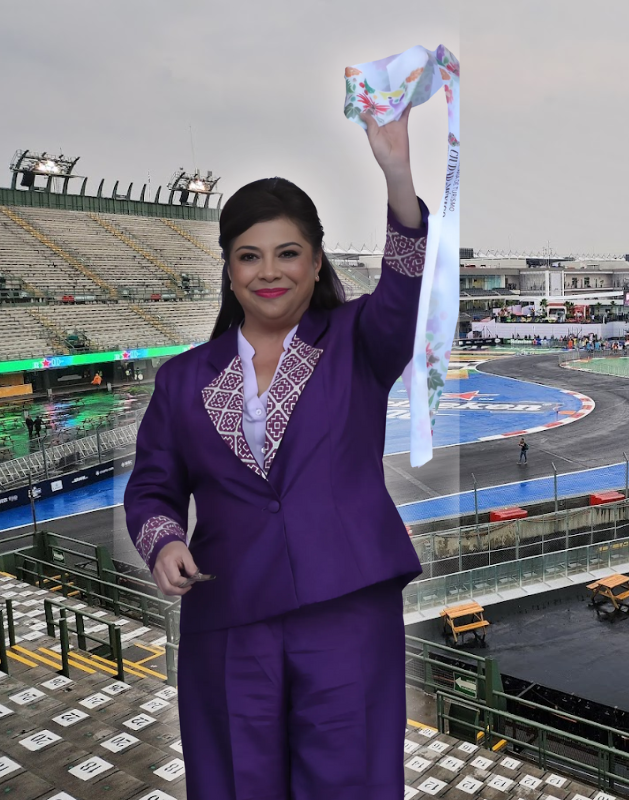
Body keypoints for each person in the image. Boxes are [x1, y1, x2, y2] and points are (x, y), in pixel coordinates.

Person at [124, 106, 426, 798]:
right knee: (237, 781)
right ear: (228, 269)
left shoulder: (359, 340)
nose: (269, 272)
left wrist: (397, 175)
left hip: (345, 607)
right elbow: (151, 489)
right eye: (249, 255)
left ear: (316, 262)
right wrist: (164, 541)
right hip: (228, 616)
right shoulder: (181, 380)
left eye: (288, 253)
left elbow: (405, 287)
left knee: (348, 778)